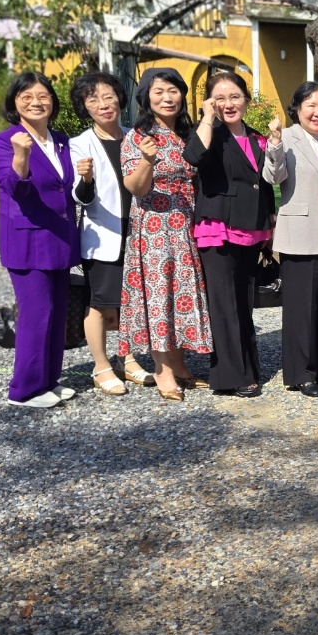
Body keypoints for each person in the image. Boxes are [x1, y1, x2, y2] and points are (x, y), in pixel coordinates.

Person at [120, 68, 213, 401]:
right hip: (154, 229)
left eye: (173, 91)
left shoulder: (187, 134)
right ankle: (162, 369)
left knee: (180, 294)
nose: (167, 98)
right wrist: (147, 160)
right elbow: (135, 187)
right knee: (159, 297)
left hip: (185, 225)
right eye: (158, 92)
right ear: (147, 97)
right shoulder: (138, 136)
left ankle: (180, 363)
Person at [0, 73, 80, 408]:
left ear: (52, 101)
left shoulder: (61, 141)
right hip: (28, 240)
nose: (36, 102)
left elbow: (66, 186)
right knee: (36, 313)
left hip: (59, 236)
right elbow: (12, 187)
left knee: (56, 312)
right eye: (26, 96)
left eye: (43, 96)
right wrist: (20, 156)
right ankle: (24, 390)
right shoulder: (4, 141)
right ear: (15, 103)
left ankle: (48, 381)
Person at [185, 69, 274, 397]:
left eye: (235, 96)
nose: (228, 103)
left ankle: (247, 368)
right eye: (219, 98)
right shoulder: (210, 132)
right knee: (224, 304)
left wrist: (269, 224)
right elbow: (193, 156)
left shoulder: (257, 137)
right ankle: (231, 376)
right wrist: (207, 117)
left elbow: (264, 183)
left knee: (243, 302)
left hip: (250, 229)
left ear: (246, 100)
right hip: (217, 227)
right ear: (210, 102)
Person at [262, 82, 318, 398]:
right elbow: (273, 177)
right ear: (296, 109)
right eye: (311, 105)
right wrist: (274, 142)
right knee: (300, 308)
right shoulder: (286, 138)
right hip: (299, 232)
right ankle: (301, 373)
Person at [69, 71, 136, 396]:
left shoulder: (134, 136)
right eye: (93, 99)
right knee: (99, 301)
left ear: (120, 99)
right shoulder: (79, 144)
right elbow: (79, 197)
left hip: (137, 232)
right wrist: (87, 179)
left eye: (108, 96)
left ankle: (129, 358)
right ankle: (101, 366)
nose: (103, 104)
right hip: (103, 235)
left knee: (132, 300)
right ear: (85, 107)